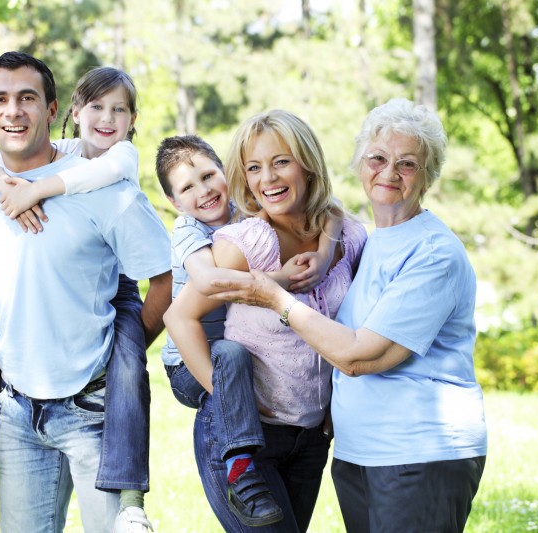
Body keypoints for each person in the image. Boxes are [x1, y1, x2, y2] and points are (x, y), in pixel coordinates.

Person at [211, 98, 488, 532]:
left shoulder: (433, 253)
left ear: (428, 174)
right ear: (361, 165)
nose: (389, 172)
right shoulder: (373, 240)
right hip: (360, 454)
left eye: (407, 164)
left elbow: (361, 356)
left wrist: (277, 298)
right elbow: (332, 212)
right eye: (377, 158)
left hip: (419, 452)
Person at [0, 51, 171, 533]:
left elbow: (165, 278)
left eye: (27, 98)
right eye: (0, 99)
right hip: (15, 413)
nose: (13, 110)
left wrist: (124, 348)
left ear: (54, 109)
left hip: (93, 411)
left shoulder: (107, 187)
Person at [164, 110, 367, 532]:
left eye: (280, 161)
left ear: (308, 163)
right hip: (247, 441)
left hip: (311, 439)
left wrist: (328, 251)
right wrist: (225, 399)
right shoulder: (245, 242)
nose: (267, 178)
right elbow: (179, 316)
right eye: (254, 167)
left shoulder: (347, 235)